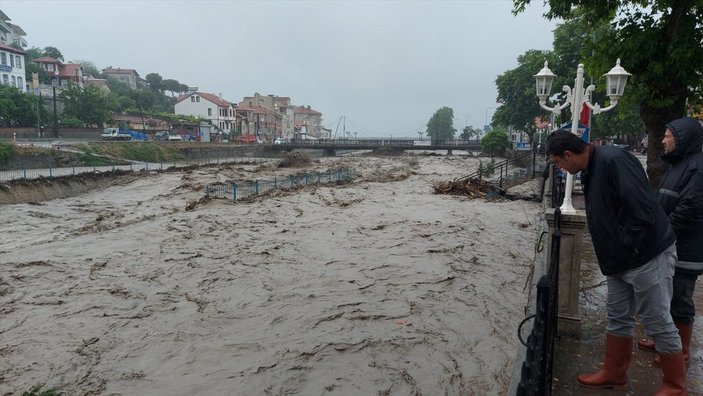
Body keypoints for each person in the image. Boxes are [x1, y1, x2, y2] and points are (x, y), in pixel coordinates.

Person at [545, 130, 686, 395]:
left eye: (558, 163)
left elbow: (642, 211)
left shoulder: (613, 160)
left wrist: (626, 245)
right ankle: (614, 371)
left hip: (645, 255)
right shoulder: (591, 166)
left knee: (658, 321)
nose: (560, 168)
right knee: (618, 316)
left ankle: (674, 385)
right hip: (620, 259)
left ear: (568, 155)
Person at [638, 117, 703, 367]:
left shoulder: (696, 168)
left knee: (681, 299)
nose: (663, 140)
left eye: (668, 135)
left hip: (685, 248)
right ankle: (665, 340)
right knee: (664, 295)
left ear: (682, 138)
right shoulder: (678, 165)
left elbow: (690, 209)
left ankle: (681, 350)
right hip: (670, 244)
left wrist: (662, 233)